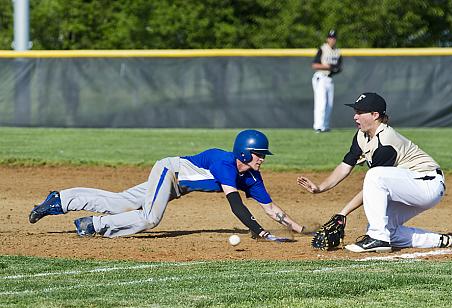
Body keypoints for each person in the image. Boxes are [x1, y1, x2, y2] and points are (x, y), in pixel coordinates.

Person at [29, 130, 306, 241]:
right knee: (150, 218)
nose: (262, 159)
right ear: (245, 153)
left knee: (119, 203)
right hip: (168, 171)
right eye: (260, 154)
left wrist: (300, 229)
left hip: (176, 186)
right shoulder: (225, 163)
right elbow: (235, 203)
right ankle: (93, 225)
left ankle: (61, 200)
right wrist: (259, 233)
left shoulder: (252, 177)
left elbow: (271, 208)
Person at [297, 92, 452, 252]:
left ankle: (378, 238)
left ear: (375, 115)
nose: (355, 117)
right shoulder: (362, 135)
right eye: (355, 112)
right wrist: (320, 187)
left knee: (374, 176)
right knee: (384, 227)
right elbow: (345, 166)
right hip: (411, 186)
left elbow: (373, 185)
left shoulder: (386, 142)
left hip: (427, 183)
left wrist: (343, 213)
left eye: (359, 113)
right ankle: (437, 240)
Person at [311, 29, 342, 133]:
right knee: (321, 102)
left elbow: (339, 66)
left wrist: (335, 68)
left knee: (329, 104)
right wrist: (328, 67)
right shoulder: (323, 49)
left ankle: (325, 126)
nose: (332, 40)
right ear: (327, 39)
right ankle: (318, 126)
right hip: (321, 77)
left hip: (329, 79)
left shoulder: (337, 52)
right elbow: (314, 65)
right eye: (330, 38)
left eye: (333, 38)